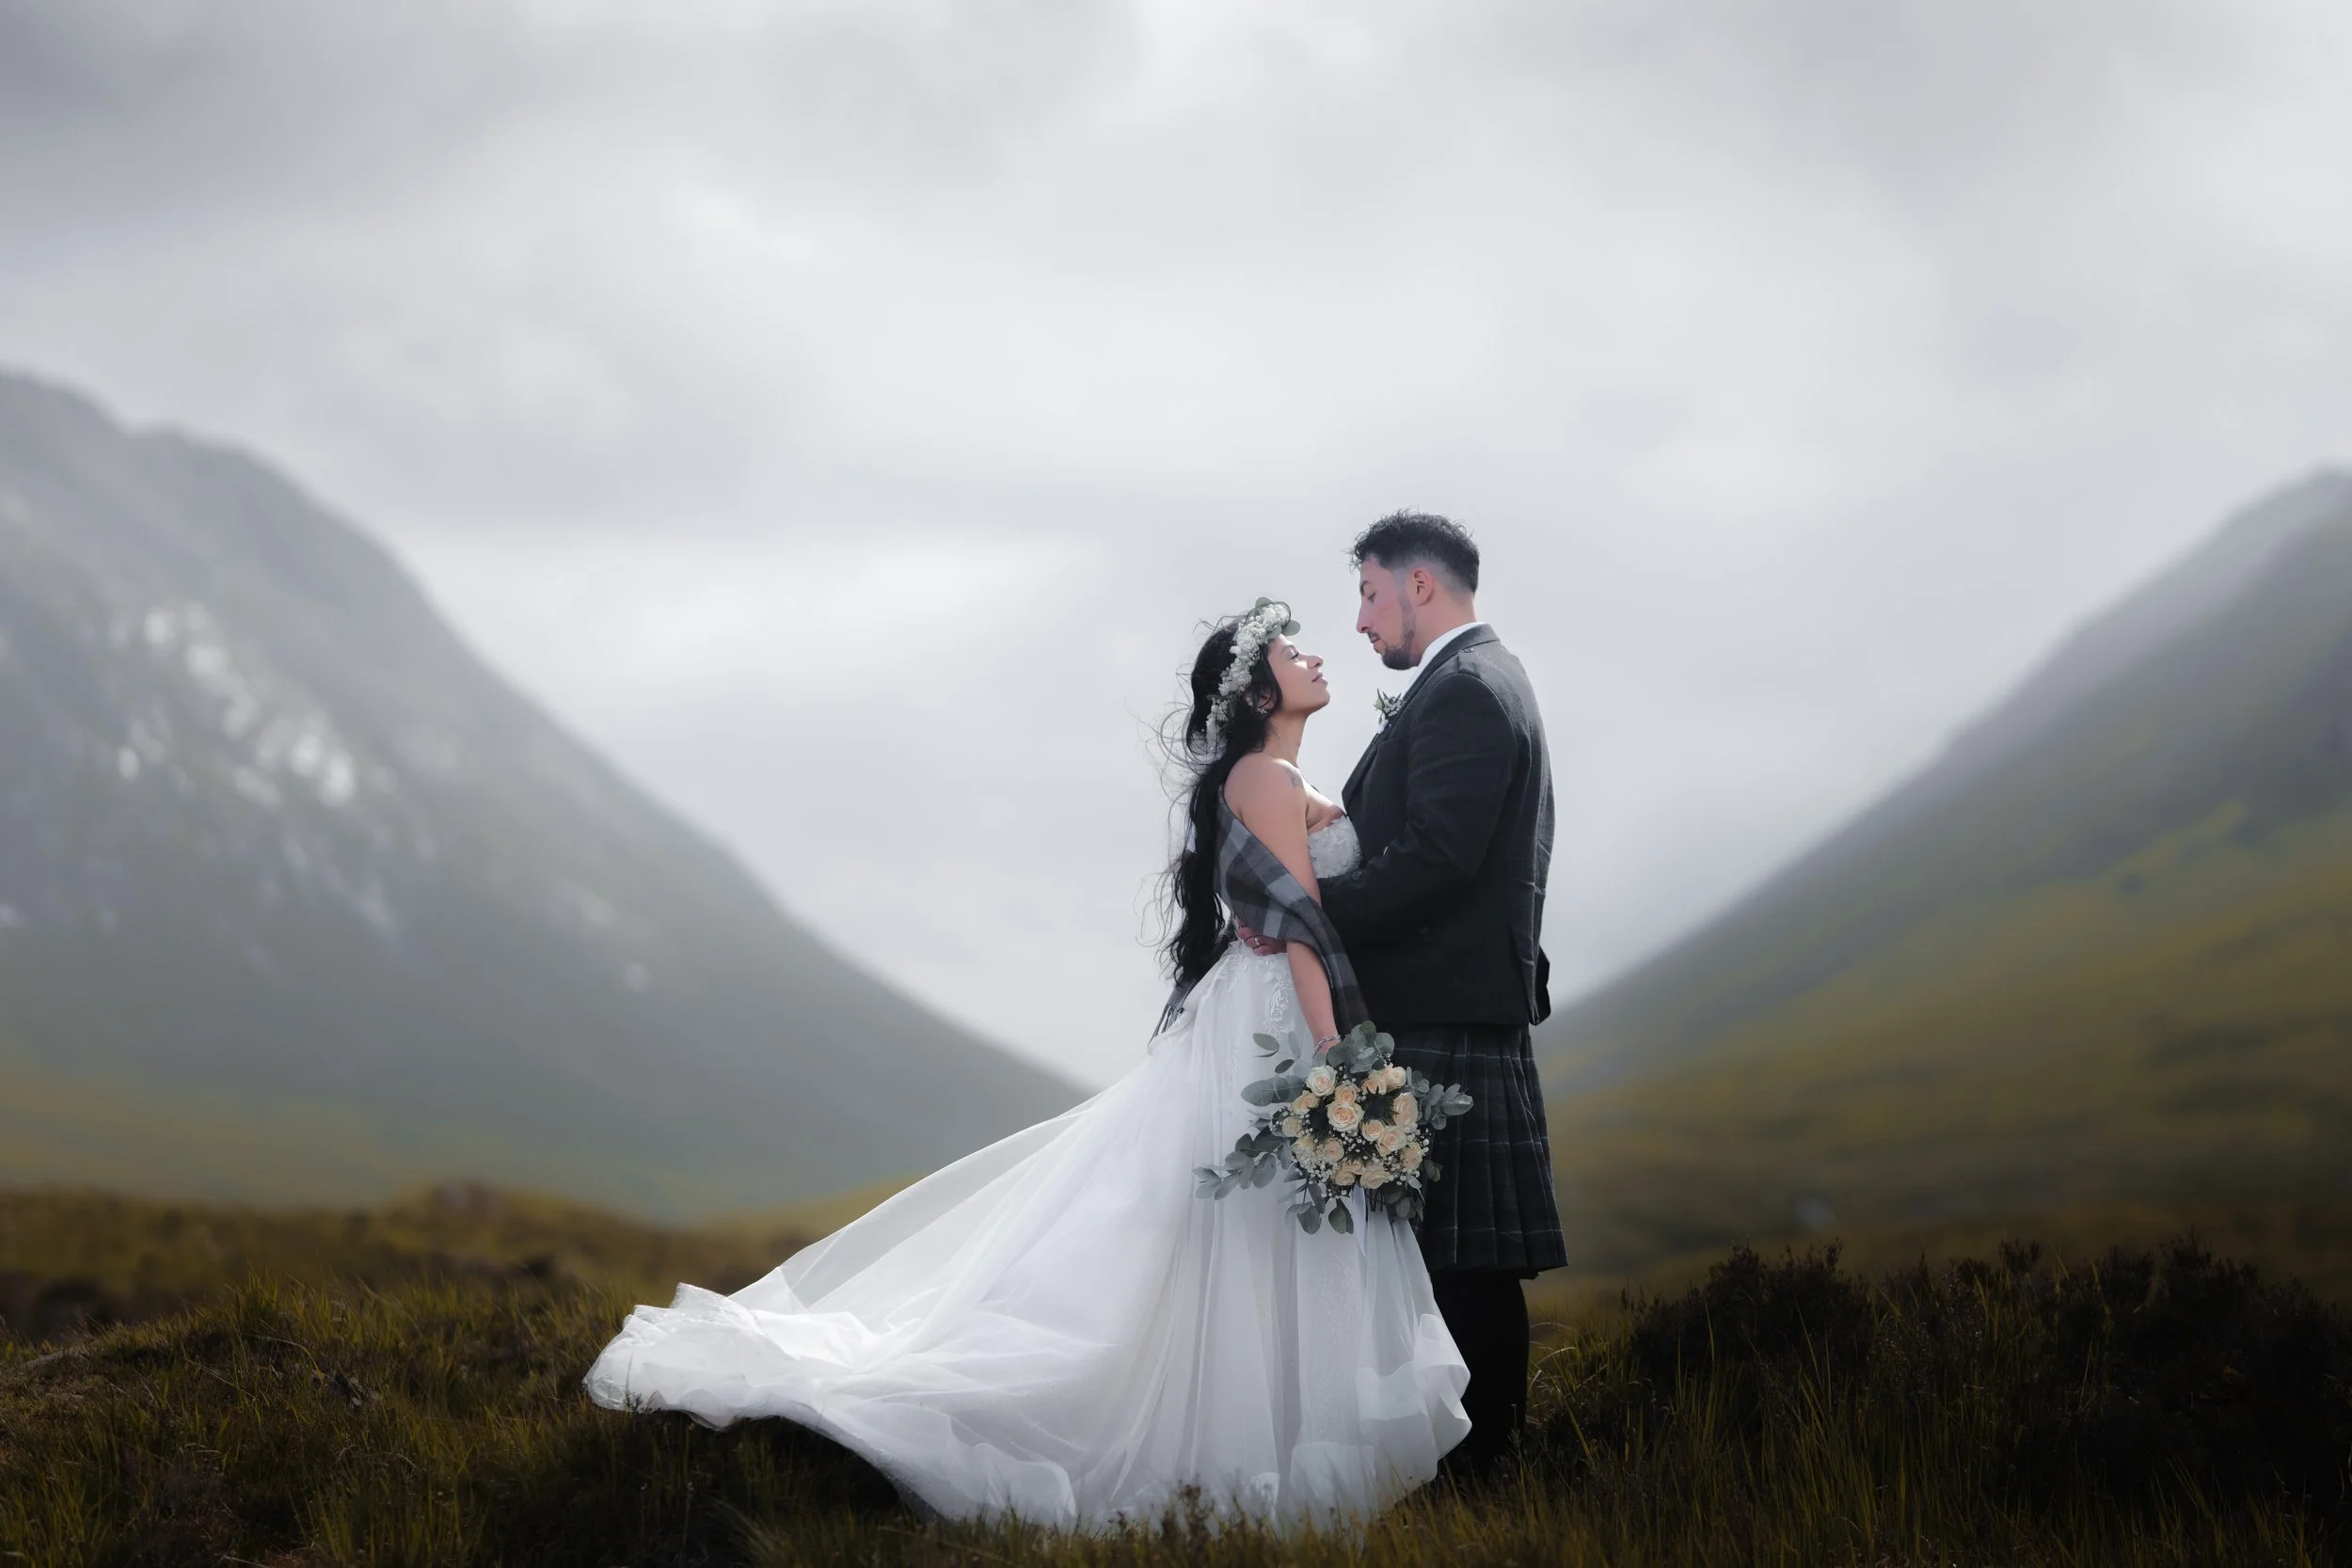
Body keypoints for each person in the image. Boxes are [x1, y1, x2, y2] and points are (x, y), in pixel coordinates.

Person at [582, 599, 1469, 1530]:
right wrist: (1335, 1057)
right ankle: (1247, 1444)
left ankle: (1267, 1432)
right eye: (1291, 651)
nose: (1315, 655)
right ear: (1256, 691)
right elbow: (1302, 929)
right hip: (1277, 1016)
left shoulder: (1273, 775)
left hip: (1260, 1009)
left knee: (1252, 1228)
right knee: (1248, 1226)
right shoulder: (1270, 778)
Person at [1243, 512, 1565, 1478]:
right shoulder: (1482, 679)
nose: (1359, 619)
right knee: (1455, 1260)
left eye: (1369, 593)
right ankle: (1475, 1464)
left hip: (1444, 1007)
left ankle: (1483, 1469)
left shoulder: (1465, 688)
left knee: (1461, 1265)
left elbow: (1438, 857)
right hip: (1458, 1001)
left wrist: (1308, 913)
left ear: (1419, 585)